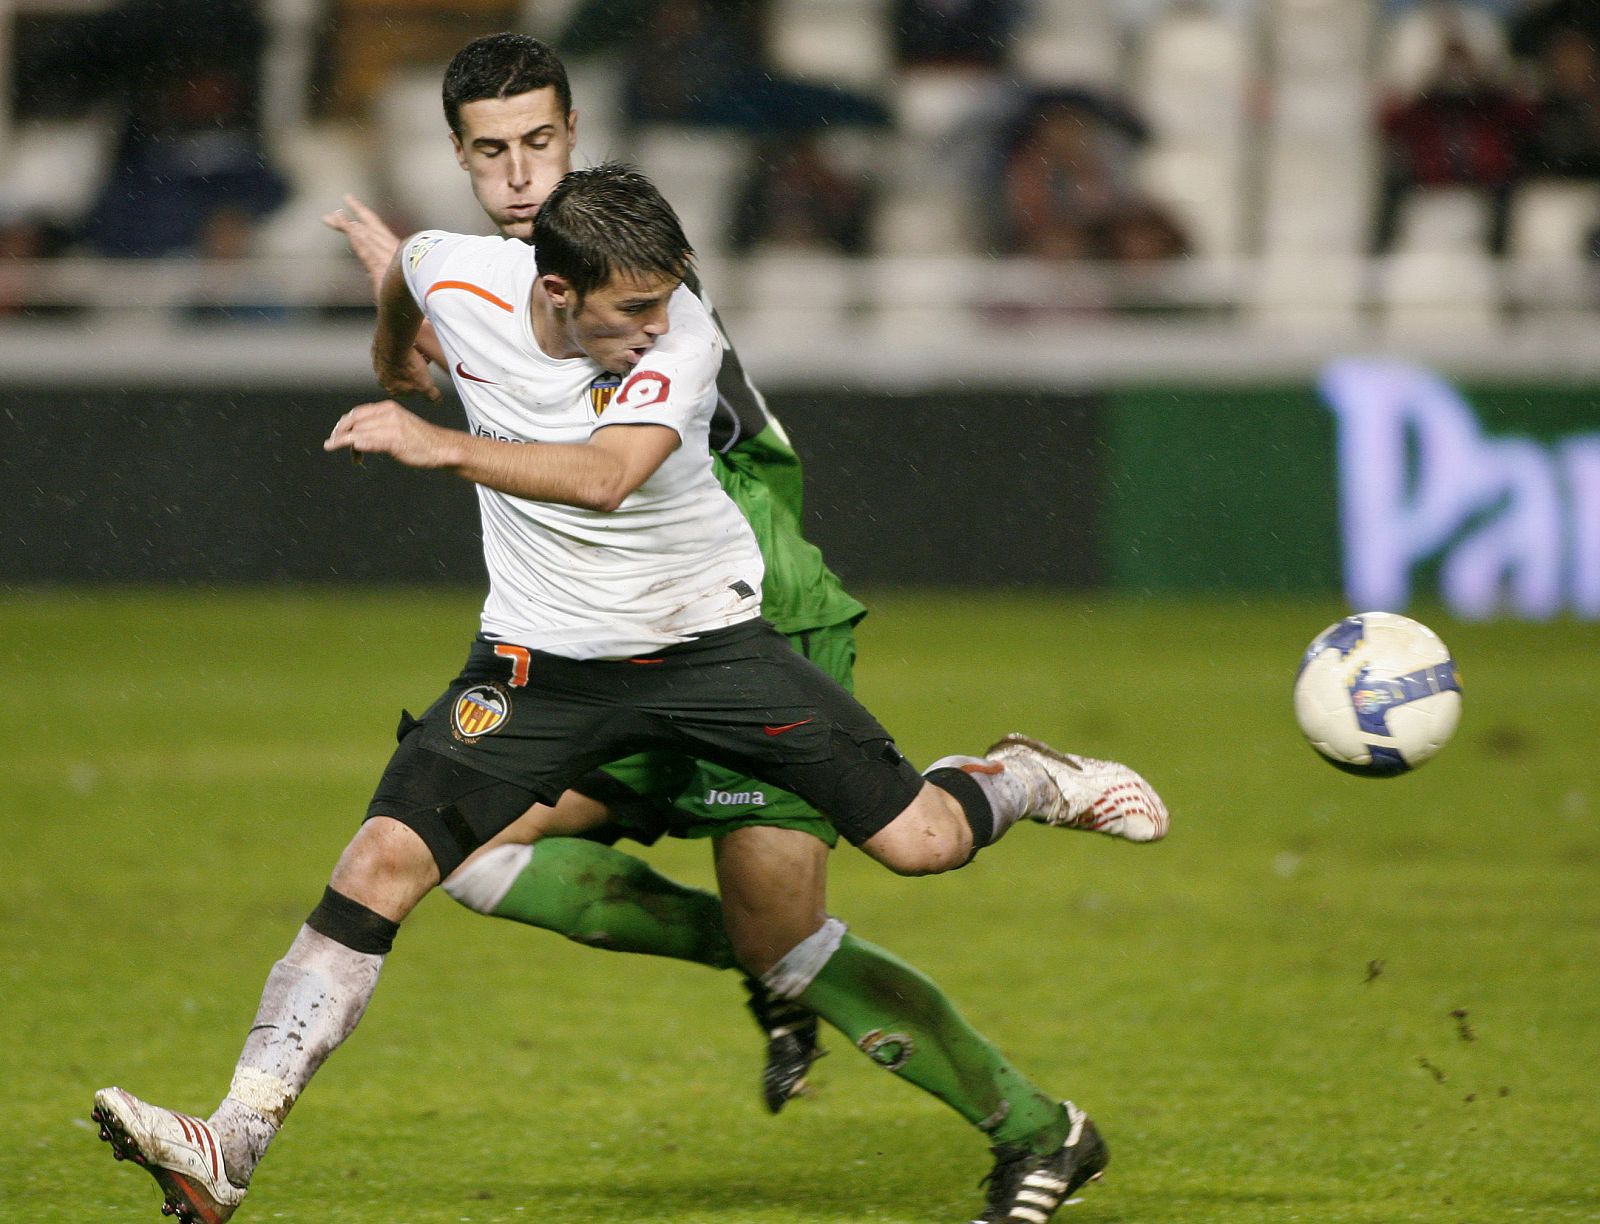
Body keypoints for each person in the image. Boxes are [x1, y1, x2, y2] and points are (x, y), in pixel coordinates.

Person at [93, 163, 1169, 1224]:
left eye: (667, 294)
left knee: (919, 844)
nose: (660, 321)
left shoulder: (678, 340)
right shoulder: (459, 270)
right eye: (634, 306)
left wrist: (436, 442)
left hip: (709, 652)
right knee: (386, 861)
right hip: (542, 665)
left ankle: (1021, 776)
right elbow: (409, 274)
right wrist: (391, 359)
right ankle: (233, 1138)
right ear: (556, 293)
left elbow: (606, 479)